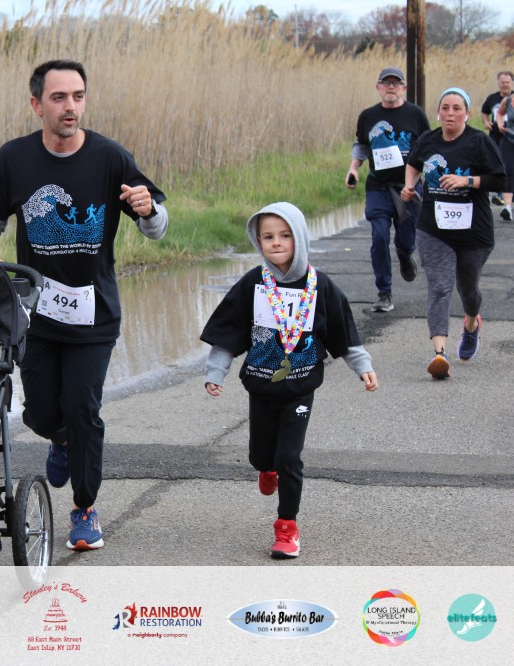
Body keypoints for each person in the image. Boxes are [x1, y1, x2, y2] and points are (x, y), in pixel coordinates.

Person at [0, 59, 168, 551]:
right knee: (39, 414)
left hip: (94, 314)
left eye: (77, 96)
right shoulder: (14, 158)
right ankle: (59, 440)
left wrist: (149, 212)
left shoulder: (110, 157)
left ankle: (85, 508)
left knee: (83, 409)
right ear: (37, 105)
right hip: (35, 313)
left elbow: (156, 225)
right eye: (59, 98)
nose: (70, 106)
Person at [200, 203, 378, 559]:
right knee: (261, 455)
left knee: (289, 457)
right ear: (258, 241)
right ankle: (265, 468)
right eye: (267, 237)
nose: (276, 243)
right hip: (261, 385)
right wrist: (216, 370)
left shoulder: (319, 285)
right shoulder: (253, 283)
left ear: (299, 238)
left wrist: (362, 366)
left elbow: (342, 330)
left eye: (285, 236)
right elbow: (229, 329)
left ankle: (287, 527)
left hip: (300, 387)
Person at [402, 88, 506, 380]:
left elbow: (500, 179)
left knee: (468, 290)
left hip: (474, 232)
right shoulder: (428, 140)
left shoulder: (479, 142)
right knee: (439, 286)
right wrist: (409, 185)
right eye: (445, 107)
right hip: (433, 229)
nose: (450, 113)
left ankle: (471, 323)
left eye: (456, 108)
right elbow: (413, 164)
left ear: (467, 113)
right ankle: (439, 354)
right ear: (438, 112)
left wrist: (466, 181)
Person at [346, 66, 430, 314]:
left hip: (408, 188)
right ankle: (384, 293)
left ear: (404, 88)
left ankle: (405, 255)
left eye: (396, 83)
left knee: (405, 241)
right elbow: (361, 146)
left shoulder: (416, 115)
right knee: (379, 235)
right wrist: (353, 169)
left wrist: (419, 181)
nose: (391, 87)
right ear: (378, 87)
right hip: (379, 186)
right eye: (386, 83)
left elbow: (427, 148)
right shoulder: (368, 116)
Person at [479, 71, 513, 208]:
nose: (505, 85)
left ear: (512, 83)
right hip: (495, 135)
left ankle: (503, 194)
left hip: (509, 136)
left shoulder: (512, 98)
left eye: (507, 82)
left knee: (508, 165)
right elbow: (484, 112)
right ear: (498, 83)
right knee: (496, 163)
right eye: (502, 82)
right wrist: (486, 122)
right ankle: (498, 192)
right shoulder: (492, 98)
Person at [494, 90, 514, 221]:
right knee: (508, 170)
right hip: (509, 139)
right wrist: (500, 123)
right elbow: (500, 113)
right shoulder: (508, 100)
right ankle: (507, 207)